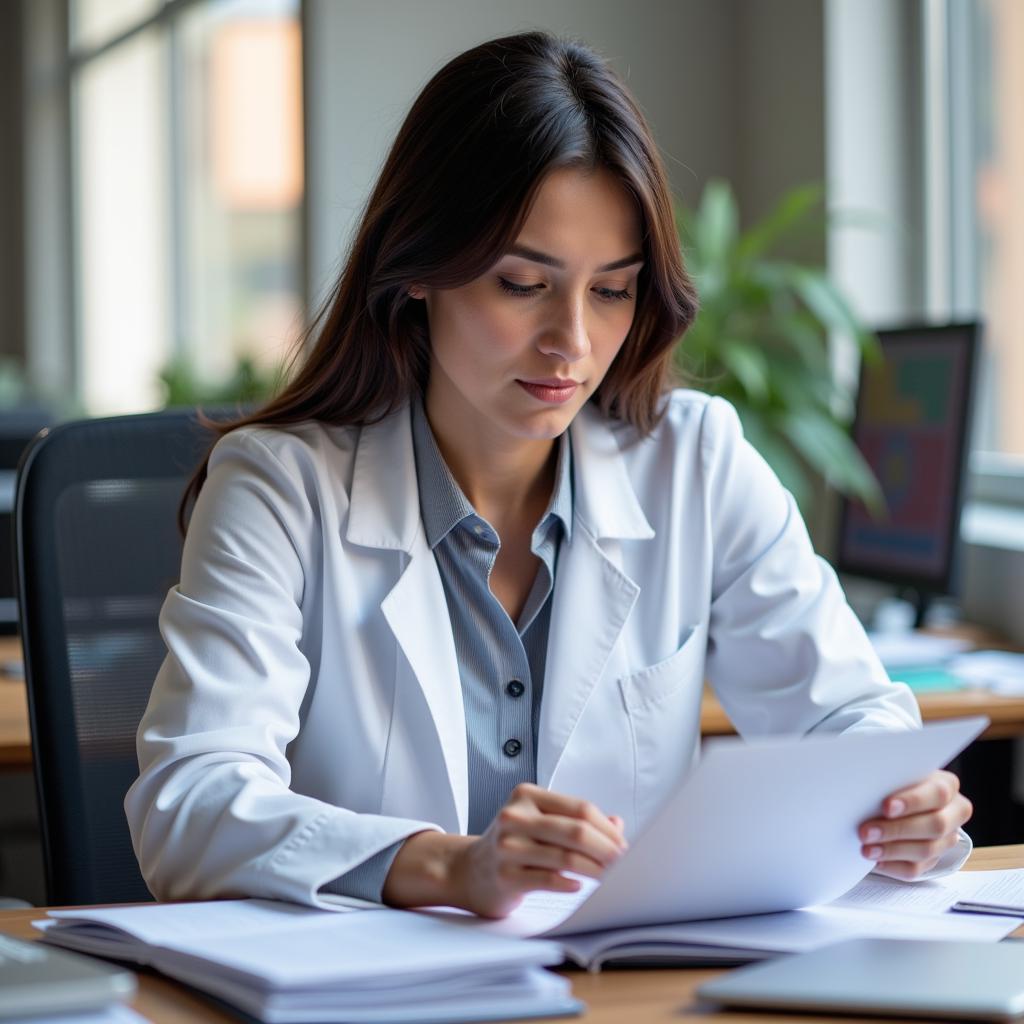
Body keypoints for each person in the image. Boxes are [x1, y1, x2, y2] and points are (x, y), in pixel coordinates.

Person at [125, 30, 972, 920]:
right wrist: (450, 868)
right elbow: (190, 804)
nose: (572, 342)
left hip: (622, 995)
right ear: (420, 271)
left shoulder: (697, 459)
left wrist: (904, 803)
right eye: (523, 284)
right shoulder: (279, 486)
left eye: (611, 290)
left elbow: (848, 719)